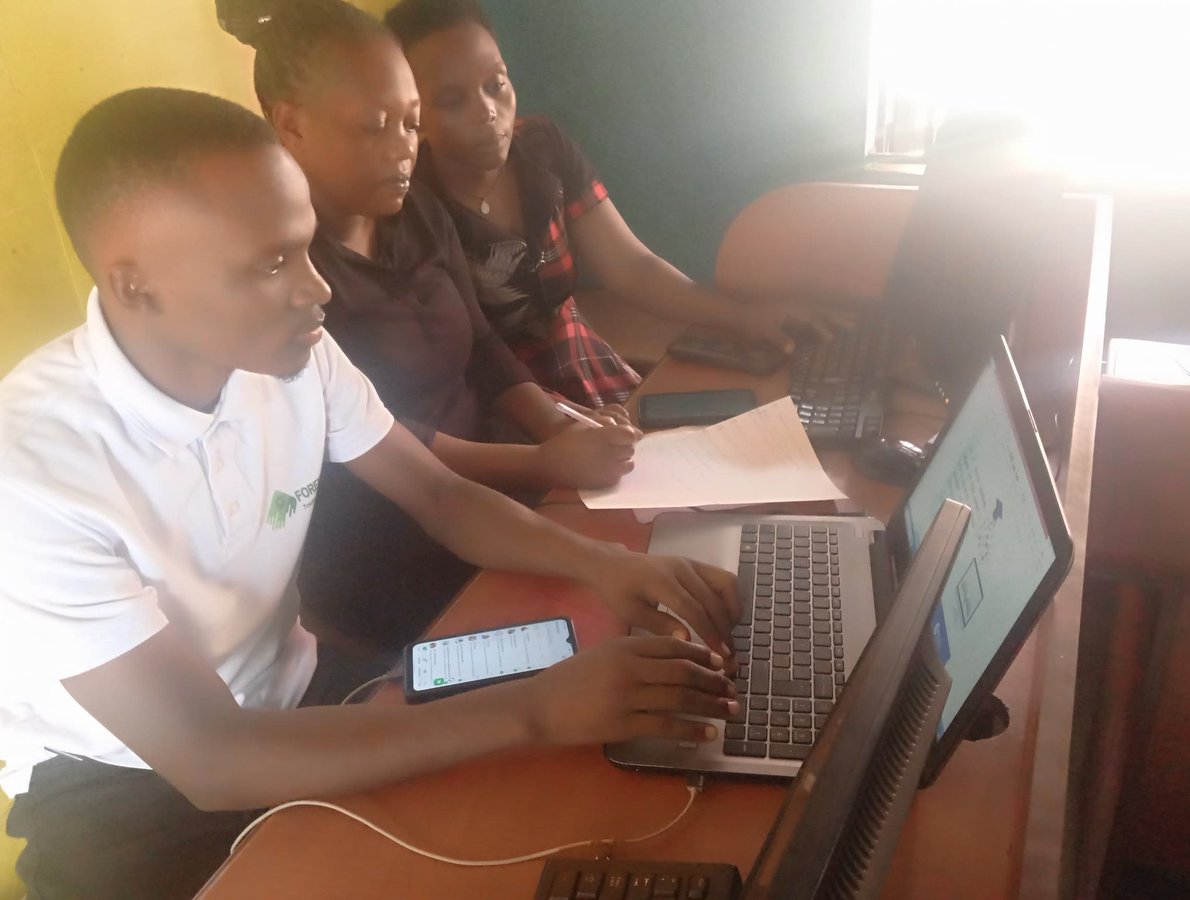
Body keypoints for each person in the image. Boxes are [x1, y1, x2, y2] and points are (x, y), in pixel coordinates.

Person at [0, 87, 741, 900]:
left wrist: (607, 565)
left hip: (296, 693)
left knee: (554, 814)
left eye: (305, 248)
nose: (316, 288)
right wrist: (532, 710)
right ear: (137, 287)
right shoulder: (32, 473)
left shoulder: (290, 354)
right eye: (271, 265)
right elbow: (211, 759)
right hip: (122, 783)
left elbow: (440, 496)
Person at [218, 0, 639, 649]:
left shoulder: (417, 211)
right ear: (291, 124)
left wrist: (558, 425)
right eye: (375, 127)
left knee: (639, 558)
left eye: (412, 124)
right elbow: (393, 444)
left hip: (498, 489)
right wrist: (540, 462)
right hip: (393, 542)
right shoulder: (291, 278)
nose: (404, 150)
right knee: (579, 639)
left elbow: (483, 347)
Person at [385, 0, 799, 409]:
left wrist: (743, 317)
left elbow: (631, 267)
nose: (487, 112)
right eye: (451, 101)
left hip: (583, 364)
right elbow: (468, 357)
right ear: (413, 112)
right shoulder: (412, 207)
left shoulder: (543, 148)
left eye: (496, 85)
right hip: (503, 404)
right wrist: (558, 428)